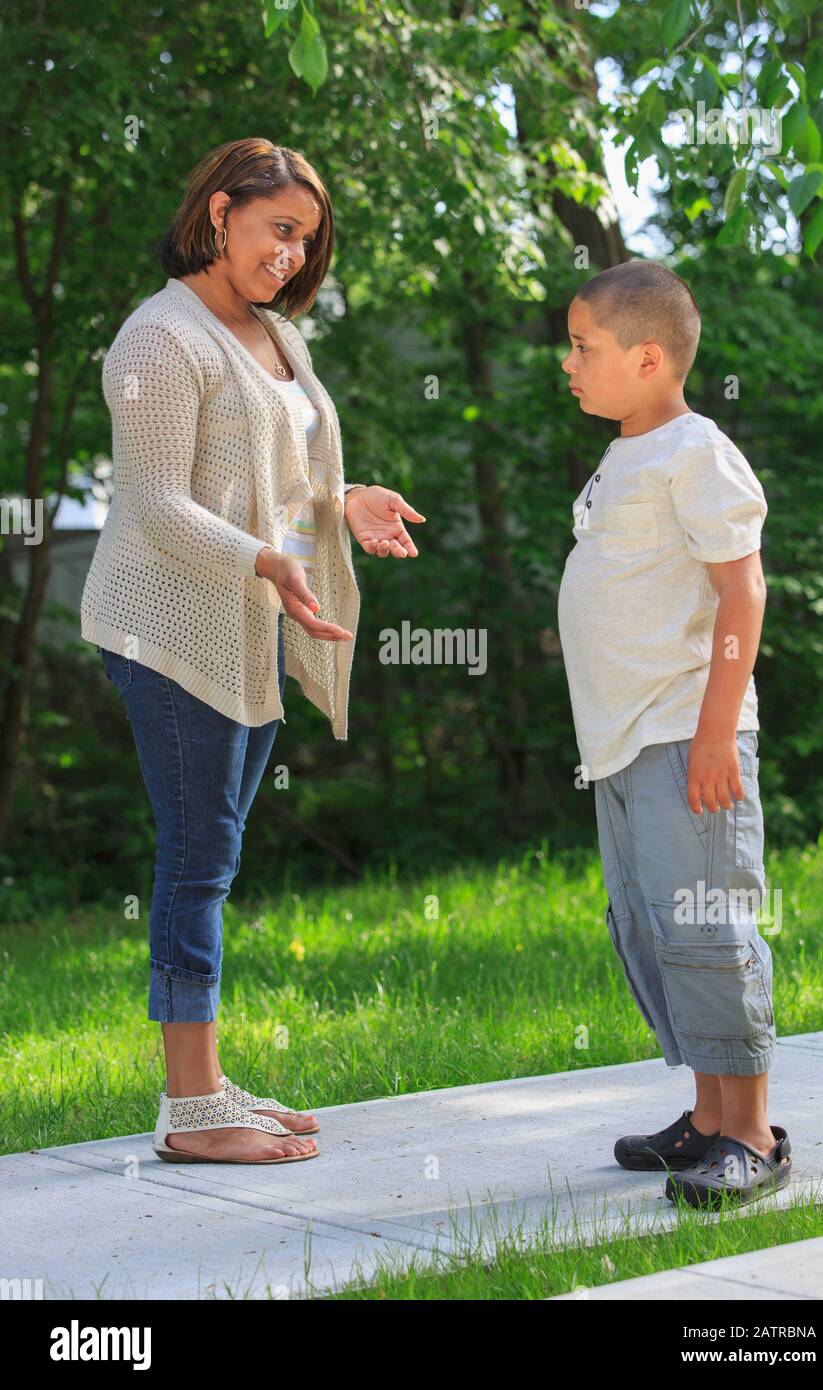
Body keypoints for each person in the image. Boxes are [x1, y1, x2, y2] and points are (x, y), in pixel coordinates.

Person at [81, 137, 425, 1165]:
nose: (289, 256)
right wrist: (270, 562)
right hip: (167, 627)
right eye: (279, 231)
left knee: (215, 856)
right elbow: (155, 506)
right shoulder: (158, 340)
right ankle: (191, 1110)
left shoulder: (271, 332)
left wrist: (342, 501)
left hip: (242, 620)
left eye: (305, 242)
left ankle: (207, 1084)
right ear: (221, 211)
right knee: (195, 860)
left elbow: (280, 474)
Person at [556, 259, 791, 1208]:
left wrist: (715, 729)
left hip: (684, 736)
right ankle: (704, 1119)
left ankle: (754, 1135)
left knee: (707, 925)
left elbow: (744, 589)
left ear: (649, 357)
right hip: (621, 745)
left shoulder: (698, 451)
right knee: (656, 931)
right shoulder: (627, 452)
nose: (566, 362)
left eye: (584, 346)